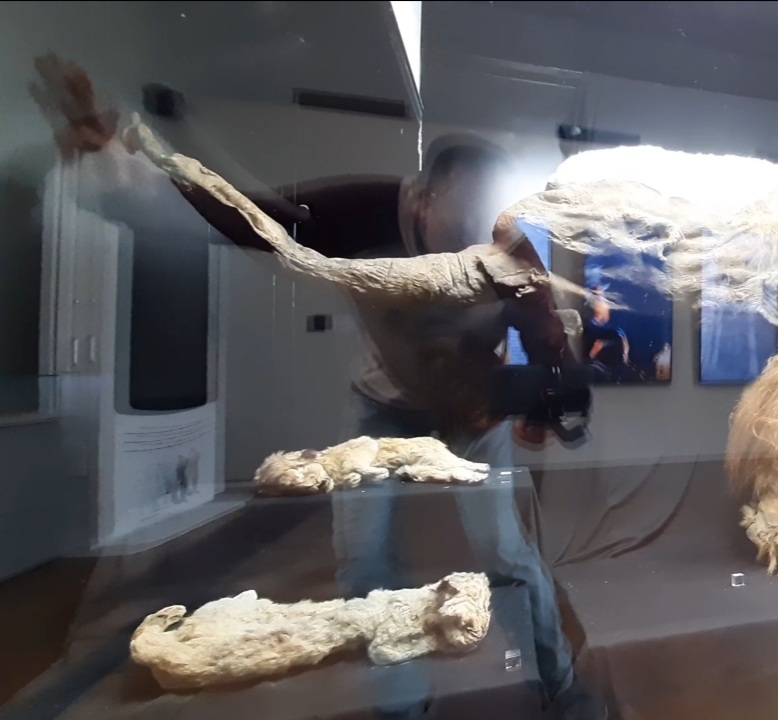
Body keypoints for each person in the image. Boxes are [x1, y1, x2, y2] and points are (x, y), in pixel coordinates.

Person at [29, 55, 603, 720]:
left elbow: (550, 346)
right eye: (455, 235)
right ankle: (401, 708)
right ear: (421, 200)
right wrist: (115, 166)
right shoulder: (358, 212)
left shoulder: (510, 256)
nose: (465, 258)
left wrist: (547, 411)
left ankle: (561, 688)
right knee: (363, 561)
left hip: (471, 413)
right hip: (381, 408)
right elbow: (238, 218)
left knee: (505, 551)